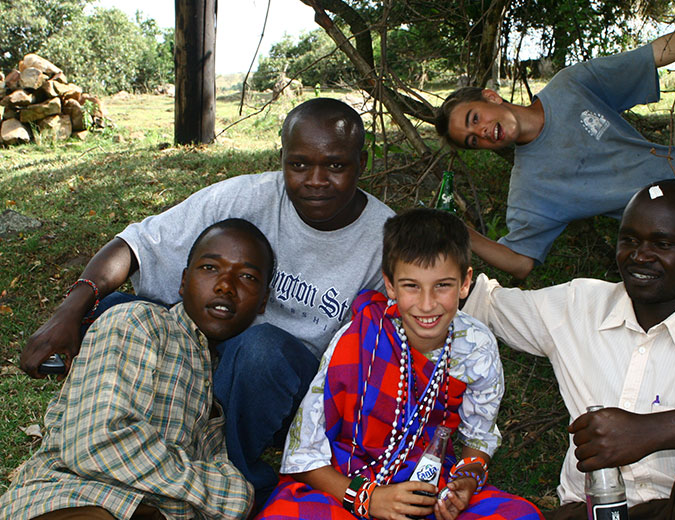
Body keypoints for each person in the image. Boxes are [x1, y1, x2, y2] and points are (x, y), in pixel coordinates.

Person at [18, 97, 396, 507]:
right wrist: (68, 312)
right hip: (202, 348)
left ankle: (230, 472)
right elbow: (136, 245)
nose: (316, 180)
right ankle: (117, 435)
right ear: (282, 157)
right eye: (299, 164)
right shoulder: (246, 197)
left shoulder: (385, 239)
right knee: (116, 312)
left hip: (280, 378)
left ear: (363, 162)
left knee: (261, 348)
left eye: (336, 165)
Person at [462, 179, 675, 519]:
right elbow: (484, 304)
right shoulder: (578, 305)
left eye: (662, 243)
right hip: (586, 511)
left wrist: (651, 431)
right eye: (629, 240)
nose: (639, 255)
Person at [434, 1, 675, 280]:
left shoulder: (570, 87)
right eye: (471, 141)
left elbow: (656, 54)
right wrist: (461, 233)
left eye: (474, 119)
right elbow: (520, 261)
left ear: (491, 96)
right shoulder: (531, 187)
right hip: (668, 231)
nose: (480, 133)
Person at [255, 208, 543, 520]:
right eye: (411, 286)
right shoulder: (359, 337)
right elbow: (303, 455)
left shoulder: (476, 347)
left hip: (427, 489)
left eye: (443, 285)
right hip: (347, 485)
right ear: (390, 286)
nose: (427, 303)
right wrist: (368, 499)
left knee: (521, 515)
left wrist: (466, 484)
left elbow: (478, 439)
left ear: (464, 283)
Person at [0, 218, 278, 520]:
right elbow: (97, 444)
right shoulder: (139, 322)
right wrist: (228, 494)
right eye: (210, 268)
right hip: (71, 499)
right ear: (184, 283)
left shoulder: (217, 377)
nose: (225, 285)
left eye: (247, 277)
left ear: (263, 300)